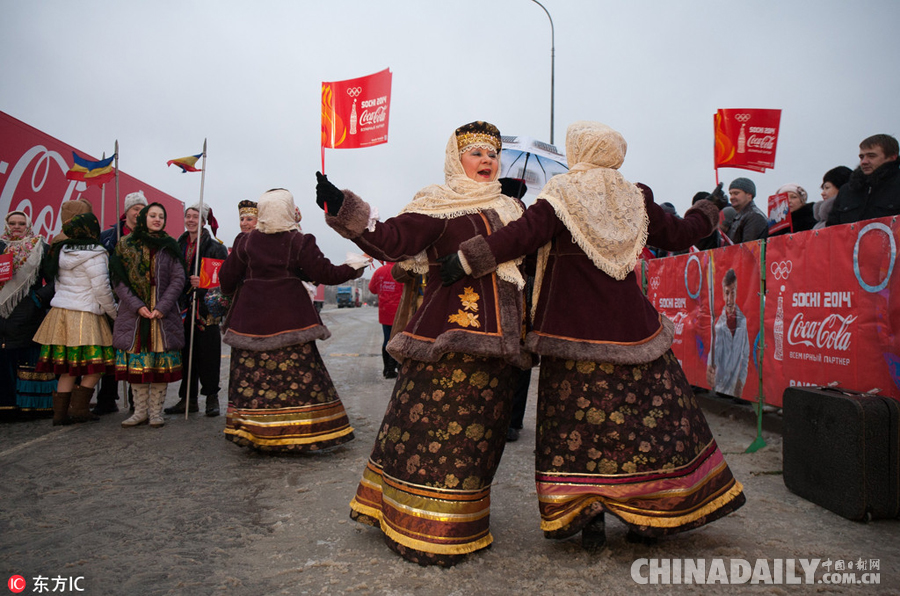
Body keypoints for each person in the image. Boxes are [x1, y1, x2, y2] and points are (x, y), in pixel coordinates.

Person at [439, 121, 745, 551]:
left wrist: (466, 260)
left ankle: (588, 514)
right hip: (632, 330)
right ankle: (651, 512)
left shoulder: (560, 195)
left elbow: (520, 238)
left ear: (577, 149)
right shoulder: (634, 196)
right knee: (646, 424)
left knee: (577, 426)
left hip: (570, 328)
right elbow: (679, 234)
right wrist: (708, 210)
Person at [316, 121, 531, 567]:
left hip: (500, 344)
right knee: (429, 431)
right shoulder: (440, 204)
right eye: (475, 153)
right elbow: (391, 239)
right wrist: (344, 207)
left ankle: (459, 522)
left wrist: (515, 207)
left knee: (479, 439)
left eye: (492, 154)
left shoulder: (511, 211)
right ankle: (414, 520)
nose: (487, 160)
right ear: (456, 160)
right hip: (444, 339)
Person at [219, 188, 363, 452]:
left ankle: (256, 434)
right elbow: (326, 273)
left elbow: (226, 281)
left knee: (253, 382)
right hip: (292, 322)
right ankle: (302, 435)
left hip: (249, 324)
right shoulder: (299, 241)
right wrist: (354, 267)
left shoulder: (245, 242)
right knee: (300, 382)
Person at [33, 213, 117, 425]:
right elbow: (101, 289)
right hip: (85, 315)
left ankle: (59, 415)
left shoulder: (61, 251)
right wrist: (114, 312)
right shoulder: (97, 254)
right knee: (97, 367)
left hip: (61, 313)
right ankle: (79, 409)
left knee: (67, 369)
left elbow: (58, 284)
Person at [109, 203, 186, 428]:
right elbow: (118, 280)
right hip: (135, 315)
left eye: (161, 216)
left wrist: (162, 306)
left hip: (162, 315)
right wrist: (137, 306)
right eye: (152, 215)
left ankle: (156, 413)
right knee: (138, 367)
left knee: (159, 368)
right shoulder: (126, 244)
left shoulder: (170, 246)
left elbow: (178, 278)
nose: (157, 219)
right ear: (143, 218)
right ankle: (139, 412)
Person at [167, 203, 228, 416]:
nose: (191, 220)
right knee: (186, 355)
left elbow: (221, 281)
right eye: (188, 216)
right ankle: (188, 399)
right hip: (183, 309)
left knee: (209, 355)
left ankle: (212, 398)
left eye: (196, 217)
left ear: (203, 221)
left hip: (206, 310)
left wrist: (201, 284)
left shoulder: (216, 247)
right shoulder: (178, 244)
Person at [97, 191, 148, 415]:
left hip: (139, 301)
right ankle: (107, 397)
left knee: (137, 350)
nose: (138, 212)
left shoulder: (150, 236)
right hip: (112, 299)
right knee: (112, 349)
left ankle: (136, 399)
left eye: (141, 208)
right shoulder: (109, 236)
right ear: (126, 211)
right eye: (134, 208)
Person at [0, 212, 56, 418]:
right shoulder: (0, 247)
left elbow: (54, 281)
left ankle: (29, 406)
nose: (17, 227)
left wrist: (38, 299)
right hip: (2, 317)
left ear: (28, 225)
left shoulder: (40, 248)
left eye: (21, 223)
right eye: (12, 223)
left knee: (25, 358)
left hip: (29, 316)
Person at [827, 134, 900, 227]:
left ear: (892, 157)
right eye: (861, 157)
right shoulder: (846, 191)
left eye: (871, 156)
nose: (864, 161)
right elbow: (832, 230)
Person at [706, 268, 750, 401]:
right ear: (723, 295)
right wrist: (710, 370)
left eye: (733, 293)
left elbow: (745, 355)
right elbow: (713, 353)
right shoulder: (719, 324)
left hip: (735, 390)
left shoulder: (743, 322)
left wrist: (741, 381)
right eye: (727, 293)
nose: (730, 299)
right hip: (720, 387)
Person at [368, 262, 404, 378]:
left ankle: (388, 369)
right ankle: (399, 366)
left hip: (385, 311)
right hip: (400, 311)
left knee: (387, 339)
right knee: (400, 339)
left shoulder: (379, 271)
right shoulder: (402, 270)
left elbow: (372, 289)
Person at [727, 177, 767, 243]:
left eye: (736, 193)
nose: (732, 197)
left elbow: (748, 248)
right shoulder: (740, 216)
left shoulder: (754, 216)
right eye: (731, 194)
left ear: (749, 195)